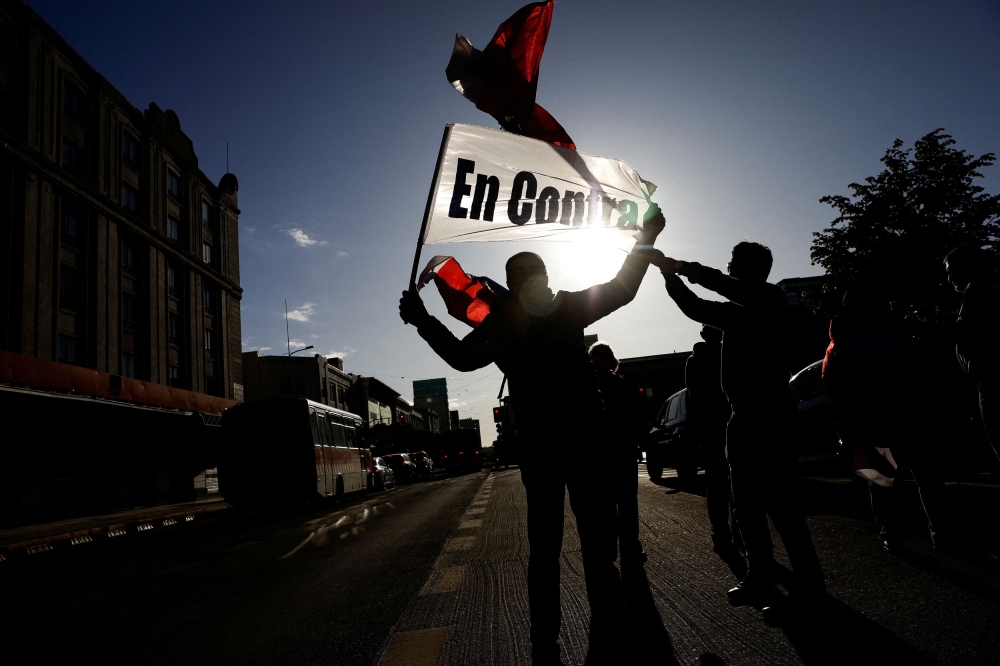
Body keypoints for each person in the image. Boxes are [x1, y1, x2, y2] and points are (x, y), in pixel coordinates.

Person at [399, 208, 664, 665]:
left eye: (530, 270)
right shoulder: (501, 325)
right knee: (544, 550)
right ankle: (546, 645)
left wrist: (645, 237)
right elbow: (462, 359)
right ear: (508, 282)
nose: (523, 277)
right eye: (514, 273)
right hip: (541, 448)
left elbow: (623, 288)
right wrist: (423, 320)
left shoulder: (567, 306)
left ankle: (610, 635)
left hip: (585, 442)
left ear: (544, 274)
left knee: (598, 547)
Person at [643, 242, 824, 607]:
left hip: (770, 414)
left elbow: (721, 287)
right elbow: (695, 308)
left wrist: (680, 266)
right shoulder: (741, 310)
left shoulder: (768, 299)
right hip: (742, 415)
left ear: (755, 267)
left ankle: (808, 584)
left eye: (736, 262)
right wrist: (667, 275)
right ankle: (760, 573)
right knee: (745, 504)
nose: (728, 267)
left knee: (780, 502)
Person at [822, 285, 941, 551]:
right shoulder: (898, 332)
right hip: (911, 408)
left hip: (872, 417)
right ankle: (940, 530)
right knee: (926, 474)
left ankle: (892, 531)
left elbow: (833, 383)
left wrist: (847, 424)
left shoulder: (841, 340)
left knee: (881, 479)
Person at [588, 341, 647, 571]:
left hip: (610, 454)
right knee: (620, 505)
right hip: (612, 453)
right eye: (597, 355)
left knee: (614, 505)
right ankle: (626, 548)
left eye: (604, 355)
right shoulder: (609, 387)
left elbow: (634, 418)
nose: (601, 360)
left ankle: (616, 548)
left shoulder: (591, 388)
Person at [685, 325, 737, 557]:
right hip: (730, 423)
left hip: (711, 428)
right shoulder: (731, 353)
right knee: (735, 481)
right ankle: (736, 531)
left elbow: (693, 398)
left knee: (717, 483)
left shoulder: (695, 361)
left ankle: (722, 533)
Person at [944, 244, 1000, 460]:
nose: (950, 279)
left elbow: (970, 330)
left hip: (992, 381)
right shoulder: (985, 289)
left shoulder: (980, 291)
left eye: (952, 272)